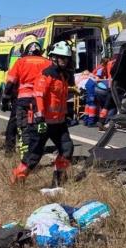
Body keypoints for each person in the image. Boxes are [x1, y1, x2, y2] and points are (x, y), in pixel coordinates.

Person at [11, 41, 75, 187]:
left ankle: (58, 181)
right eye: (61, 58)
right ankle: (16, 181)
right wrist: (40, 117)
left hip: (58, 123)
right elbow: (38, 95)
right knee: (33, 157)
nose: (65, 61)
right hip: (43, 123)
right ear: (54, 58)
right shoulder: (46, 74)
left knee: (67, 149)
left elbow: (59, 97)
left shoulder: (62, 76)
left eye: (66, 58)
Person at [1, 35, 50, 157]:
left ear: (25, 49)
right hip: (42, 101)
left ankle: (14, 152)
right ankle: (37, 149)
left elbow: (10, 83)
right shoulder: (48, 62)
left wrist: (5, 99)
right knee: (40, 125)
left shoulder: (20, 62)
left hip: (23, 100)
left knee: (21, 126)